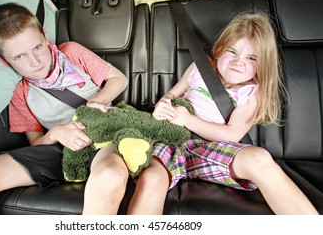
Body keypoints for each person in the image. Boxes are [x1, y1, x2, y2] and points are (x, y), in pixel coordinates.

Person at [0, 2, 131, 214]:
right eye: (19, 56)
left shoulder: (71, 52)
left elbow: (119, 79)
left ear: (45, 36)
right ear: (4, 61)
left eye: (37, 47)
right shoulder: (20, 92)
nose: (35, 61)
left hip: (102, 135)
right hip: (58, 149)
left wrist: (96, 102)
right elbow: (36, 143)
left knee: (110, 174)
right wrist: (55, 133)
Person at [136, 12, 318, 215]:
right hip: (172, 143)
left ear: (262, 65)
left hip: (211, 150)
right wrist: (163, 104)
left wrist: (187, 119)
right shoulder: (199, 68)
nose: (238, 62)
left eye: (251, 58)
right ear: (220, 49)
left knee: (260, 159)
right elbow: (171, 94)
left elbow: (232, 135)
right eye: (232, 52)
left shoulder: (250, 93)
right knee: (150, 177)